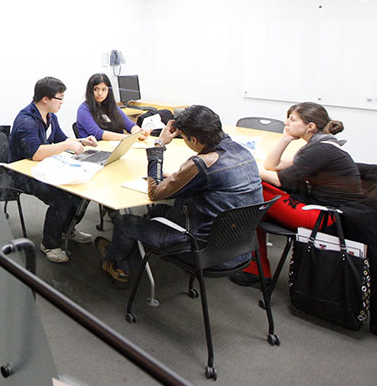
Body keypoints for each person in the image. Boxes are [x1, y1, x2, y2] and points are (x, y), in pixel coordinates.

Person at [95, 105, 262, 284]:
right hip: (240, 245)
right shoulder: (242, 152)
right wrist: (178, 176)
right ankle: (128, 258)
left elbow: (154, 193)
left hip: (202, 249)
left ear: (195, 140)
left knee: (124, 222)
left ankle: (116, 263)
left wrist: (159, 145)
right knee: (157, 212)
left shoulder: (202, 164)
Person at [232, 102, 361, 286]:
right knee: (255, 206)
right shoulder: (320, 144)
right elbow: (271, 165)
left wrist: (245, 165)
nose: (286, 123)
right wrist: (285, 138)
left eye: (292, 120)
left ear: (310, 126)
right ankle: (255, 269)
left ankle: (253, 267)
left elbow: (278, 179)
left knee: (255, 188)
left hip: (326, 217)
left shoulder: (321, 149)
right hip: (323, 212)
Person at [9, 77, 99, 263]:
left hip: (44, 168)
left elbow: (61, 140)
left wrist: (81, 141)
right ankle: (50, 243)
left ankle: (66, 230)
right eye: (60, 98)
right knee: (62, 197)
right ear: (45, 99)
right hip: (23, 174)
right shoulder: (26, 120)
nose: (62, 102)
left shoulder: (51, 118)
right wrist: (66, 144)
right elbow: (35, 153)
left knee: (82, 191)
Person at [76, 73, 150, 141]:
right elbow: (97, 133)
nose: (100, 93)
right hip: (95, 150)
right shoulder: (84, 110)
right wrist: (128, 138)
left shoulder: (112, 106)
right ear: (90, 91)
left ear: (109, 90)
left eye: (104, 89)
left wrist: (137, 132)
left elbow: (130, 125)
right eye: (96, 89)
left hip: (115, 147)